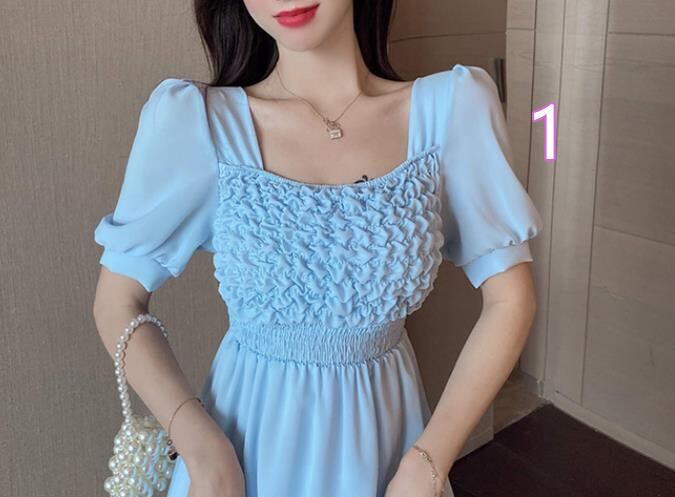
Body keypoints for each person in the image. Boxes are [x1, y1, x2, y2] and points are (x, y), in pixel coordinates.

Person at [92, 1, 544, 496]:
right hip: (240, 461)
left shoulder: (451, 110)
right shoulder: (197, 122)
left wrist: (427, 464)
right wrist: (202, 448)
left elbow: (510, 299)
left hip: (388, 456)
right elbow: (117, 302)